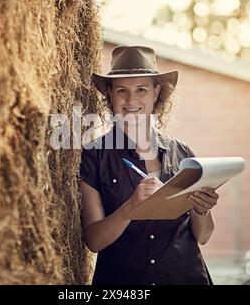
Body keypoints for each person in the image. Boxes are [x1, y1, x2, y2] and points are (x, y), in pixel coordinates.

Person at [79, 45, 219, 285]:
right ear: (110, 96)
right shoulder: (93, 156)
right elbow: (94, 241)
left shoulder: (183, 153)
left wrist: (202, 209)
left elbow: (203, 236)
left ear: (156, 93)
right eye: (122, 90)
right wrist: (132, 206)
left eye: (141, 89)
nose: (131, 99)